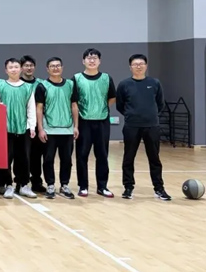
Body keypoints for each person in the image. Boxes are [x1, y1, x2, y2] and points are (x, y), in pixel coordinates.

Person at [116, 54, 170, 201]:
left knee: (154, 158)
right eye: (135, 64)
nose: (138, 66)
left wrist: (150, 115)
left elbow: (160, 104)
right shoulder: (124, 84)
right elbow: (120, 105)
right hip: (131, 126)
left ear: (146, 66)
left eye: (141, 64)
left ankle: (159, 188)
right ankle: (128, 187)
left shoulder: (155, 83)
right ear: (130, 67)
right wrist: (131, 115)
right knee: (128, 158)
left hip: (152, 126)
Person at [0, 58, 37, 199]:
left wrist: (32, 126)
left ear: (20, 69)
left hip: (23, 128)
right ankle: (7, 184)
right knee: (6, 158)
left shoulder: (27, 87)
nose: (14, 69)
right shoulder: (0, 86)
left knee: (24, 158)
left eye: (16, 67)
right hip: (5, 129)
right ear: (6, 70)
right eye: (11, 67)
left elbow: (31, 108)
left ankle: (23, 184)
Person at [72, 48, 116, 198]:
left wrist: (100, 109)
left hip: (102, 121)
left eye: (95, 58)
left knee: (102, 155)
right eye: (89, 58)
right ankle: (83, 186)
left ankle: (102, 186)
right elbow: (74, 101)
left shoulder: (106, 78)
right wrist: (76, 124)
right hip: (84, 122)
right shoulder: (77, 78)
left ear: (99, 61)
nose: (92, 60)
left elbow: (112, 97)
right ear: (83, 61)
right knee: (82, 155)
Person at [35, 57, 78, 200]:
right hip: (49, 130)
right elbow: (39, 108)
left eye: (58, 65)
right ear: (47, 69)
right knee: (48, 159)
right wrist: (40, 129)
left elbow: (74, 106)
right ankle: (50, 185)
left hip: (67, 129)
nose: (55, 68)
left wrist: (76, 126)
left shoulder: (70, 84)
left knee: (67, 160)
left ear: (62, 67)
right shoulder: (42, 86)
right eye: (52, 66)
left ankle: (64, 184)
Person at [20, 55, 46, 193]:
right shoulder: (17, 83)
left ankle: (36, 181)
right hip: (21, 125)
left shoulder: (41, 84)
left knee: (37, 155)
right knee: (22, 155)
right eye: (26, 65)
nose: (29, 68)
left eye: (31, 65)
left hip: (37, 124)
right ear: (21, 68)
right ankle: (20, 182)